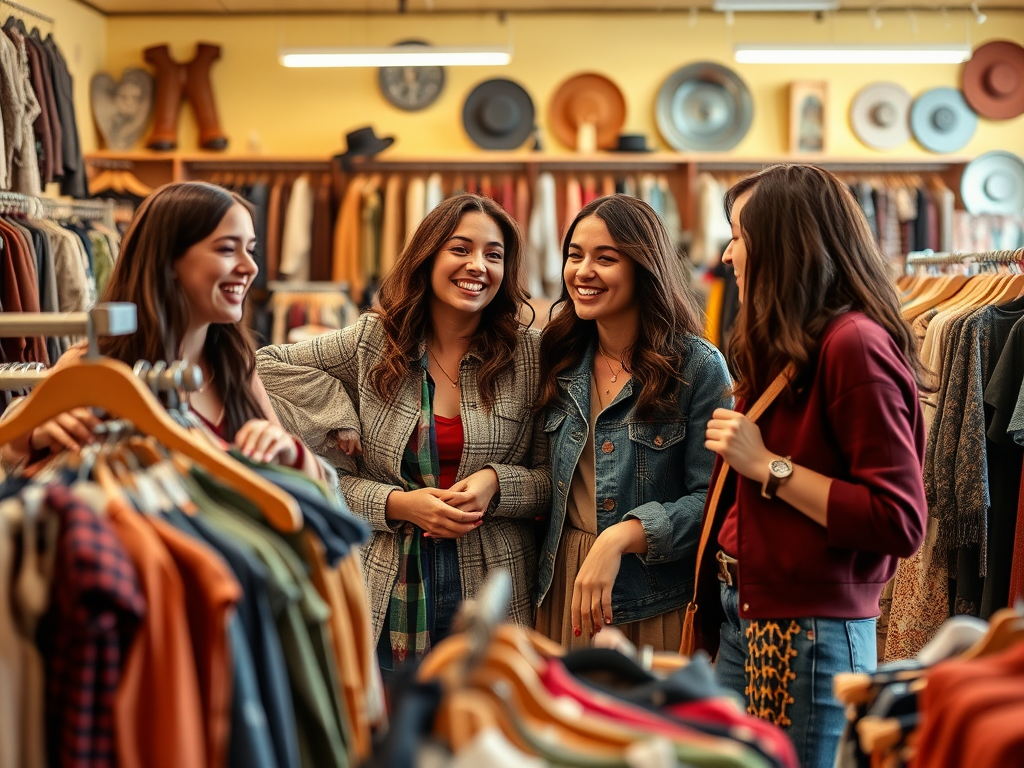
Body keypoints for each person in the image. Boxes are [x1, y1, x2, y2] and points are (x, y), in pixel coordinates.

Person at [255, 194, 550, 674]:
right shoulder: (373, 342)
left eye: (493, 255)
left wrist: (496, 483)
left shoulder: (529, 355)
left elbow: (549, 480)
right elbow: (265, 366)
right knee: (391, 730)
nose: (477, 265)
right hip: (385, 584)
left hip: (496, 586)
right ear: (428, 255)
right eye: (460, 249)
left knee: (483, 729)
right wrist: (391, 495)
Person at [698, 164, 928, 768]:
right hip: (748, 612)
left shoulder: (854, 344)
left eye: (740, 236)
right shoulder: (793, 342)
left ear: (784, 245)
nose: (728, 254)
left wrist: (768, 466)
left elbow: (898, 519)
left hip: (809, 632)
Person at [0, 180, 325, 481]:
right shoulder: (95, 363)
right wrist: (32, 435)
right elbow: (8, 451)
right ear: (168, 260)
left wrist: (291, 453)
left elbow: (320, 486)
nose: (250, 267)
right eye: (227, 249)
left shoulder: (235, 363)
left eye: (250, 250)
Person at [534, 194, 731, 651]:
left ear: (644, 267)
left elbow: (716, 499)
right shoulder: (558, 356)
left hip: (653, 595)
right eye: (575, 255)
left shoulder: (696, 366)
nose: (583, 271)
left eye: (606, 258)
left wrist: (623, 536)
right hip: (564, 583)